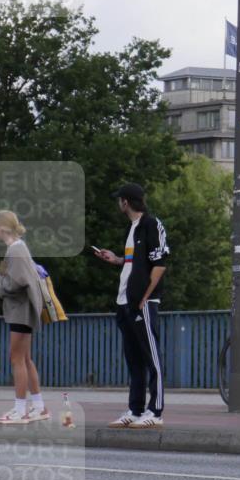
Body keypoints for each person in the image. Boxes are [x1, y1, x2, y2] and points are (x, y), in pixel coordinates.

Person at [94, 183, 170, 429]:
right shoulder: (133, 229)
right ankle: (135, 409)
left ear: (126, 202)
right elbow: (134, 262)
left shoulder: (151, 224)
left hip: (142, 302)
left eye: (120, 200)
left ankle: (155, 411)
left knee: (151, 358)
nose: (119, 204)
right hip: (125, 301)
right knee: (133, 358)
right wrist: (116, 259)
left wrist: (146, 296)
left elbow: (160, 264)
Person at [0, 210, 49, 424]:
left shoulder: (15, 250)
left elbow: (16, 284)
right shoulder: (17, 248)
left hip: (21, 311)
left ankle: (20, 409)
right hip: (25, 310)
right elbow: (12, 279)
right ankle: (39, 407)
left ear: (2, 227)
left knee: (16, 359)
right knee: (25, 359)